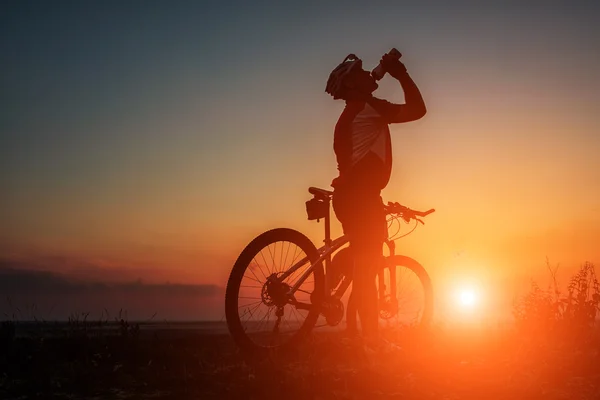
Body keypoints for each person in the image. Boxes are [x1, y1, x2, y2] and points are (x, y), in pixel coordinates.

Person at [325, 51, 426, 343]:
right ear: (352, 86)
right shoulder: (367, 107)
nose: (368, 73)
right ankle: (370, 344)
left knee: (363, 260)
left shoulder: (349, 115)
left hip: (352, 196)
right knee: (368, 270)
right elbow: (418, 110)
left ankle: (337, 278)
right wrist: (401, 74)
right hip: (360, 197)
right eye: (359, 73)